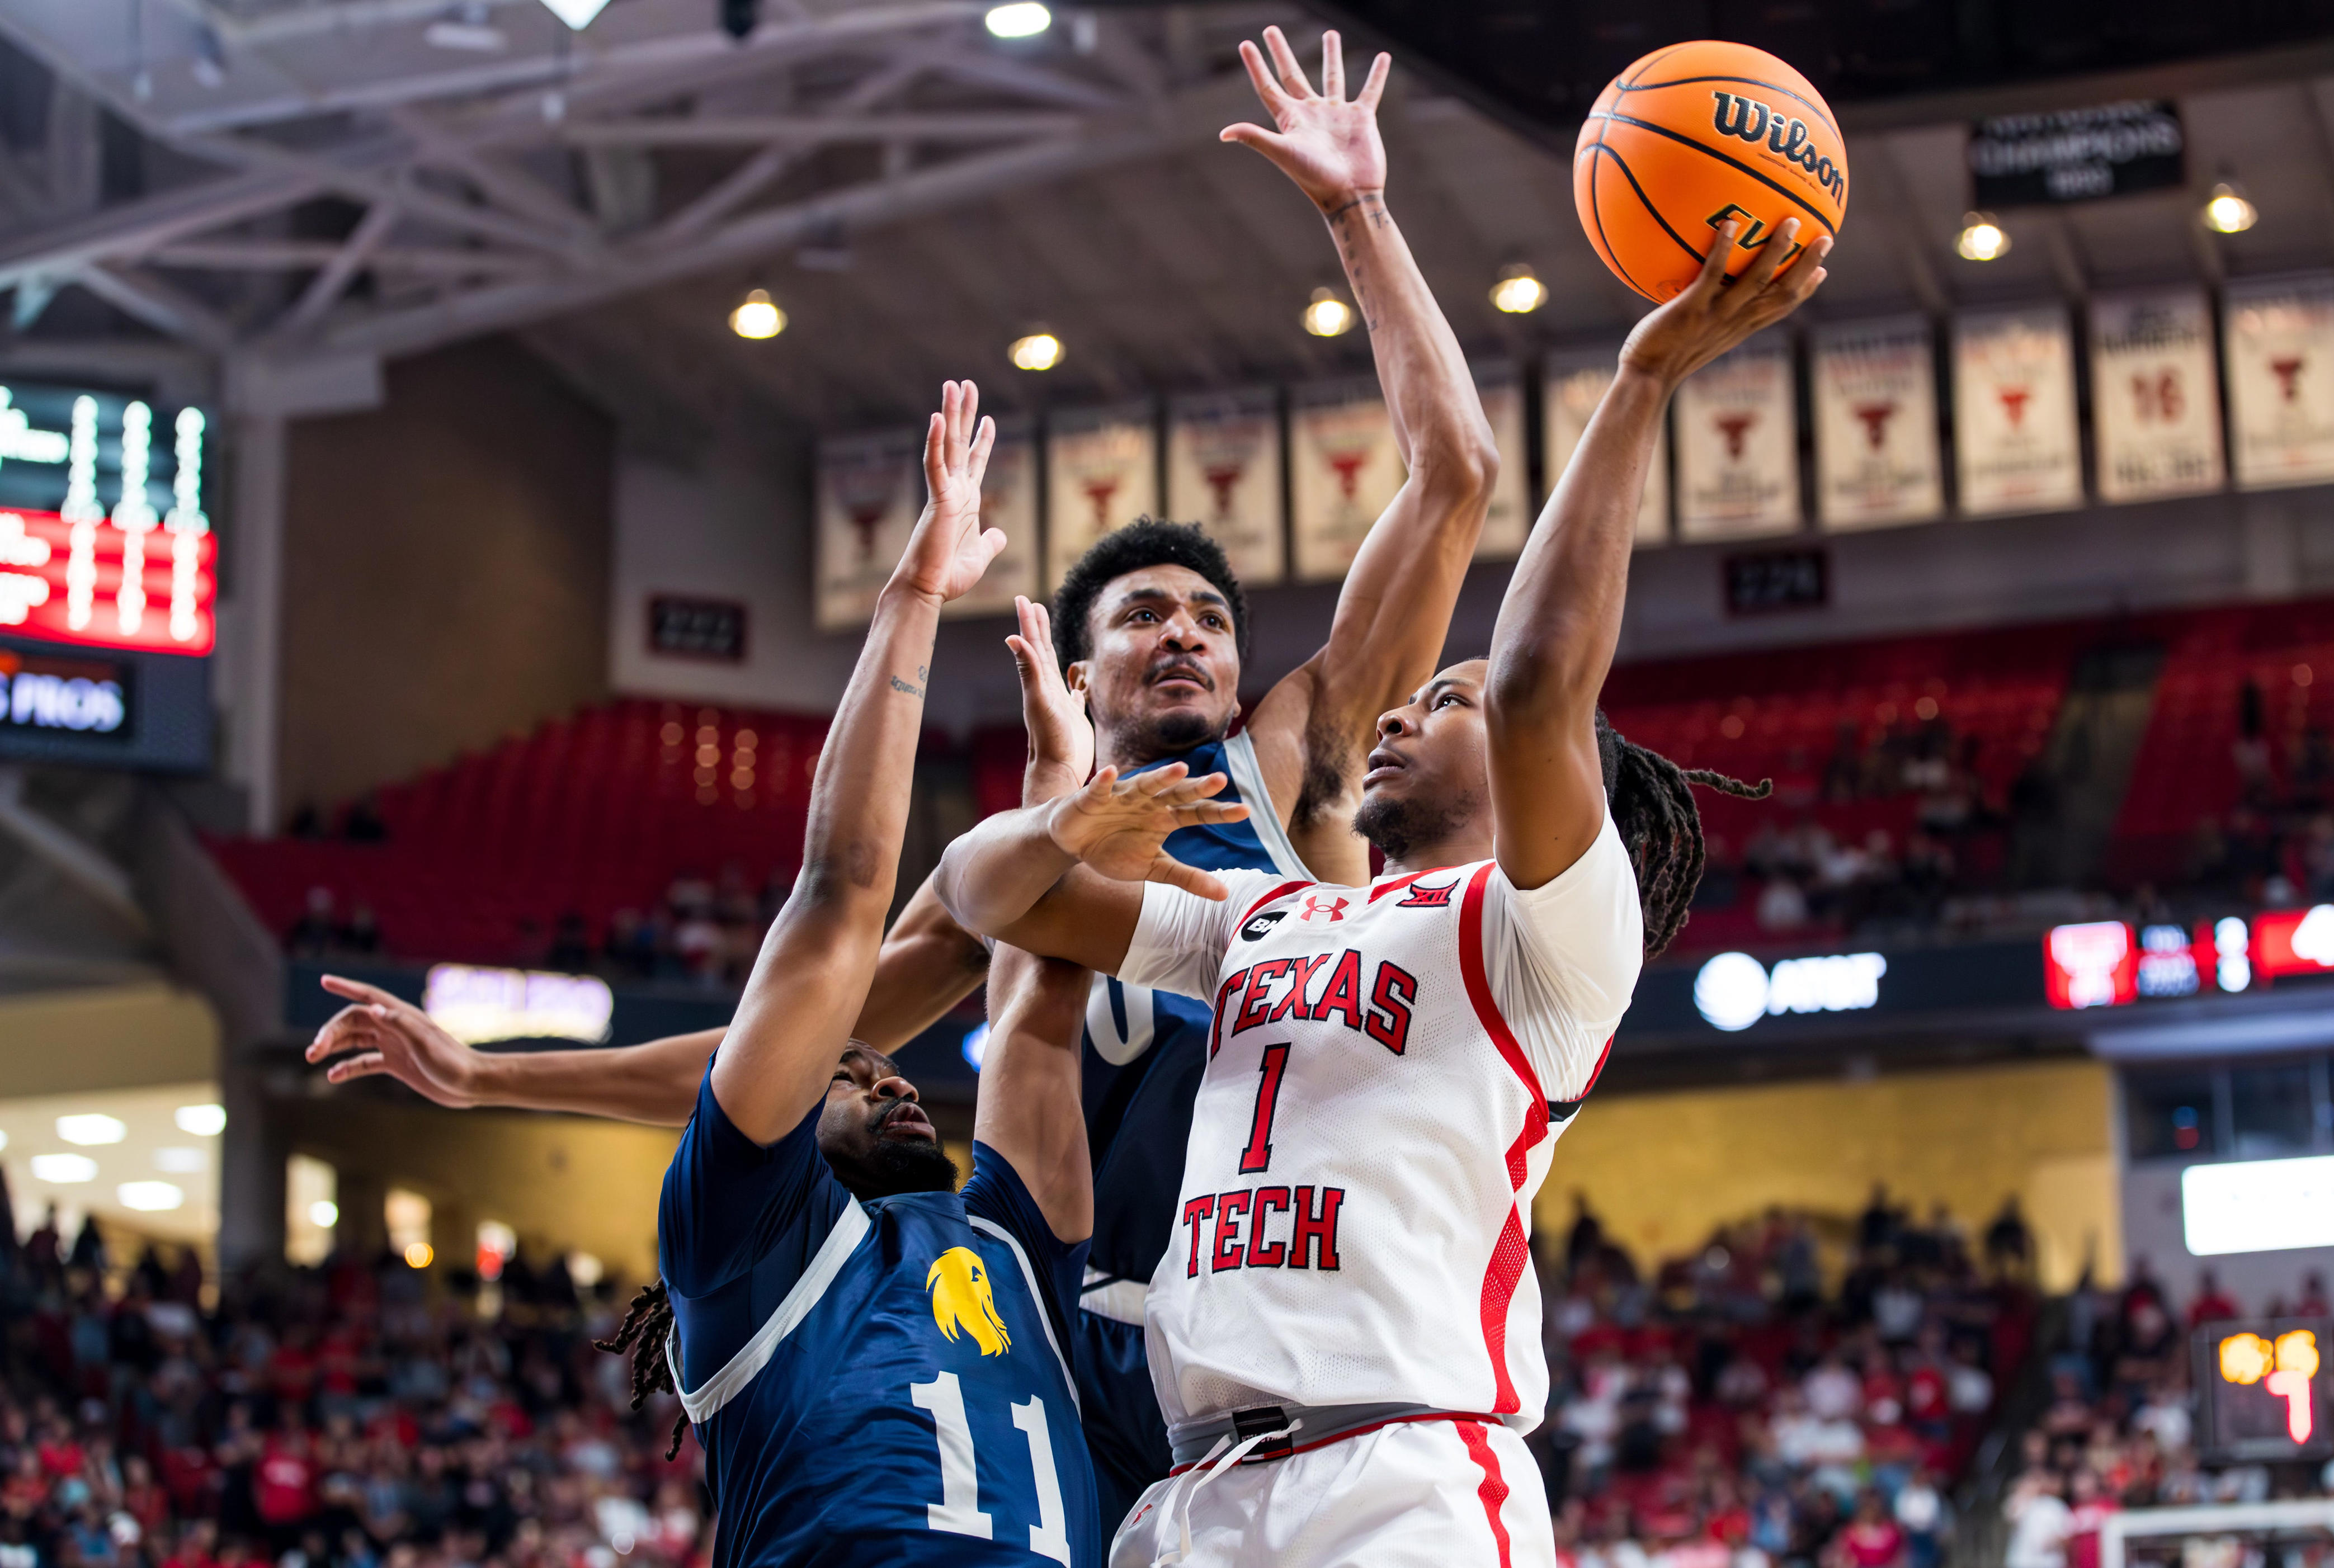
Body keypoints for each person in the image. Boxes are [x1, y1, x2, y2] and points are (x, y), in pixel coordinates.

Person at [308, 23, 1501, 1538]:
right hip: (1105, 1360)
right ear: (1080, 671)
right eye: (1143, 614)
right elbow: (784, 1049)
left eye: (1208, 613)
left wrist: (1357, 215)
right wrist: (491, 1076)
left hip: (1324, 1330)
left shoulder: (1297, 770)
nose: (1186, 633)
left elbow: (1453, 474)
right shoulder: (1006, 885)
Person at [929, 216, 1828, 1562]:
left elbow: (1535, 679)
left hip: (1397, 1472)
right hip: (1191, 1489)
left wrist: (1639, 382)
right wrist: (1077, 813)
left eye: (1445, 700)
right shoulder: (1263, 919)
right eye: (1416, 695)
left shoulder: (1553, 942)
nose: (1407, 711)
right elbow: (986, 889)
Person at [308, 384, 1107, 1564]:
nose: (890, 1080)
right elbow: (845, 893)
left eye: (881, 1070)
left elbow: (1030, 990)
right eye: (850, 1071)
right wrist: (917, 595)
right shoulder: (749, 1235)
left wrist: (1058, 794)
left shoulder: (1006, 1243)